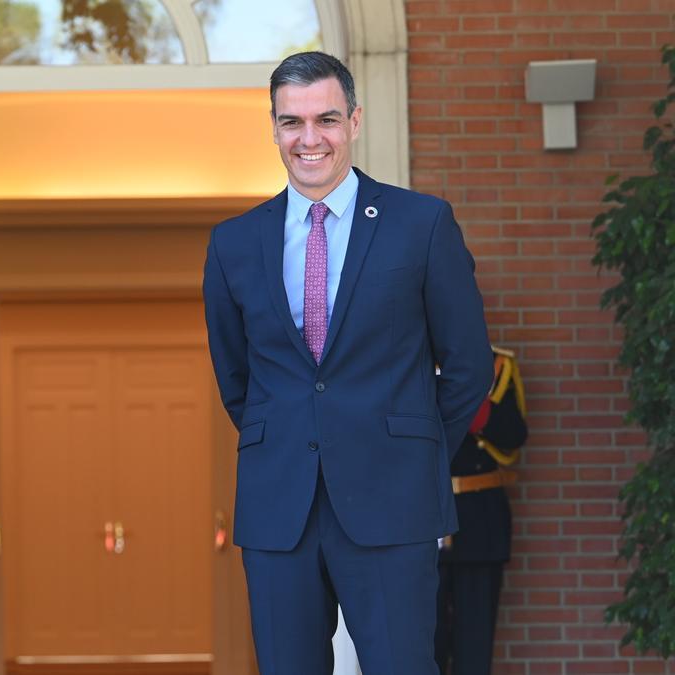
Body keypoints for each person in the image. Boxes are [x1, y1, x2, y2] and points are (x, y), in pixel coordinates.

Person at [201, 51, 493, 675]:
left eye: (327, 119)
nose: (310, 139)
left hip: (394, 500)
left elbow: (468, 364)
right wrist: (293, 436)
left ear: (355, 121)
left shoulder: (422, 224)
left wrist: (411, 448)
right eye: (292, 122)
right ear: (273, 127)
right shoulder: (233, 243)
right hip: (281, 507)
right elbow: (237, 380)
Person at [435, 346, 528, 675]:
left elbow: (513, 434)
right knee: (419, 646)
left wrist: (467, 398)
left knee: (474, 648)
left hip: (478, 517)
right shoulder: (403, 355)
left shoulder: (496, 366)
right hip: (423, 517)